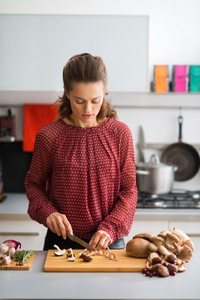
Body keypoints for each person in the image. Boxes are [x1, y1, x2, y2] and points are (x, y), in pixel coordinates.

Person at [25, 53, 137, 251]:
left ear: (105, 93)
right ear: (67, 92)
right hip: (61, 242)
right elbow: (34, 185)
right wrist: (49, 212)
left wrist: (109, 229)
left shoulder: (120, 133)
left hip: (109, 242)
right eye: (79, 100)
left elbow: (129, 190)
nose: (88, 109)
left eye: (95, 100)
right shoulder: (49, 136)